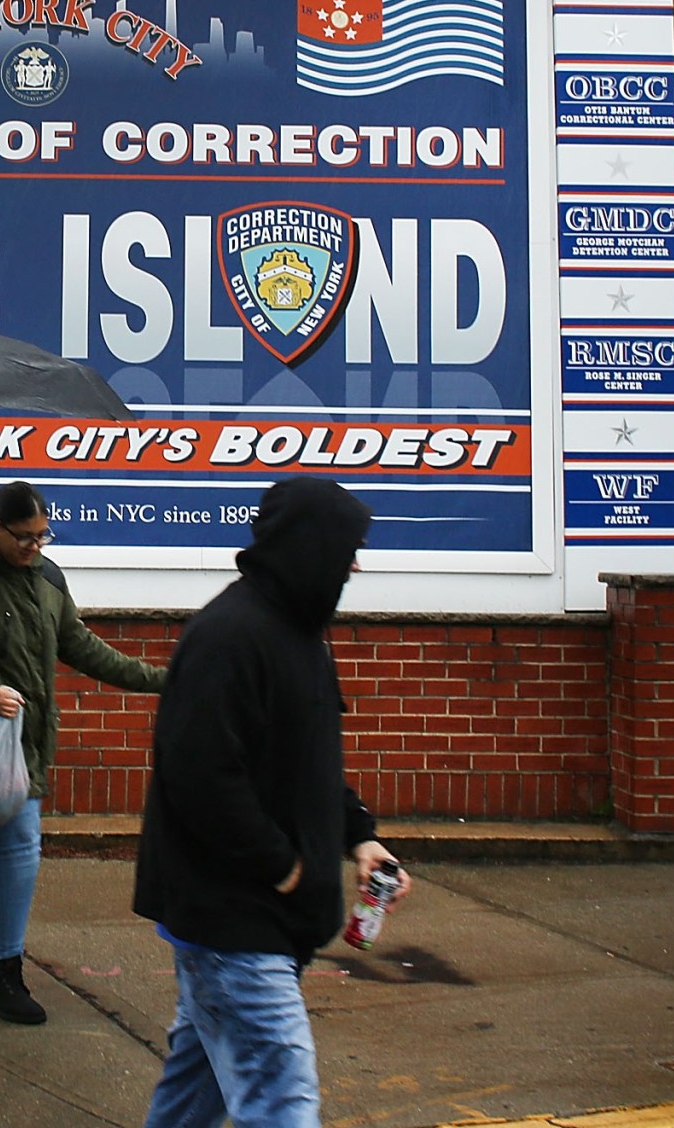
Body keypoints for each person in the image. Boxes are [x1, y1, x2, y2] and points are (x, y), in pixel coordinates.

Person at [132, 476, 411, 1128]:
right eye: (349, 548)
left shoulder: (299, 634)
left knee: (192, 1093)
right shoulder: (228, 637)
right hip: (236, 923)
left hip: (257, 922)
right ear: (311, 547)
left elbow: (305, 767)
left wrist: (359, 837)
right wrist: (283, 867)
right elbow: (199, 777)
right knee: (283, 1102)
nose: (356, 564)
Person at [0, 481, 168, 1025]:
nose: (35, 546)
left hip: (32, 740)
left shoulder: (48, 578)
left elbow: (81, 646)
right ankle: (2, 975)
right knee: (20, 844)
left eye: (43, 535)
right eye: (24, 537)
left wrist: (161, 680)